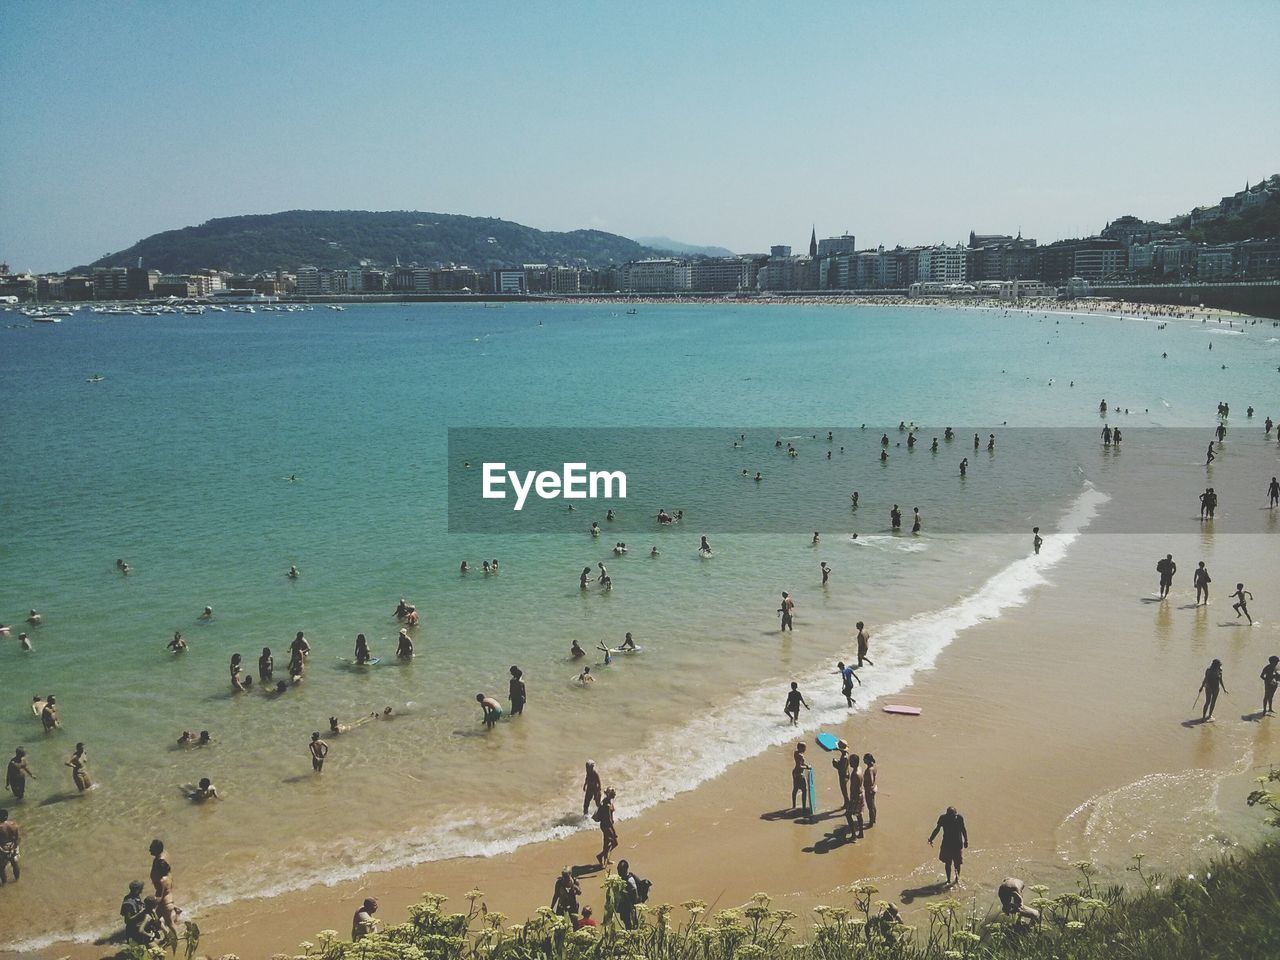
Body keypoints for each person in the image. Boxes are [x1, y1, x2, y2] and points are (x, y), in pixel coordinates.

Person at [928, 806, 969, 885]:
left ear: (956, 815)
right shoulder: (943, 818)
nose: (953, 818)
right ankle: (948, 880)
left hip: (957, 844)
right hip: (947, 844)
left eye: (954, 816)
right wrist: (931, 838)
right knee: (948, 863)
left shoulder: (959, 818)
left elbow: (963, 829)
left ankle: (957, 879)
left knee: (957, 863)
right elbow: (937, 829)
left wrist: (966, 840)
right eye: (951, 816)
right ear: (947, 815)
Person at [595, 787, 618, 865]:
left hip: (605, 825)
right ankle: (600, 856)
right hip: (607, 826)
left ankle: (606, 859)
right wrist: (614, 831)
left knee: (606, 842)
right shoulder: (607, 805)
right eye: (613, 793)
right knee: (614, 842)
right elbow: (609, 820)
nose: (615, 794)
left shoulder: (606, 801)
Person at [615, 859, 640, 929]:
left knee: (630, 923)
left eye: (620, 870)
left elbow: (635, 894)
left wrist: (632, 907)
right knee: (626, 921)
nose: (618, 872)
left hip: (629, 906)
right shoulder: (621, 878)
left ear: (625, 870)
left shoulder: (630, 881)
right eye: (618, 870)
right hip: (624, 905)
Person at [0, 810, 19, 884]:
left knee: (1, 867)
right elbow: (17, 838)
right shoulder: (14, 824)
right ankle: (17, 880)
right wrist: (15, 847)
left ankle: (4, 883)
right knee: (14, 864)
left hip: (3, 849)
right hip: (13, 847)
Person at [790, 742, 810, 810]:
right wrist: (807, 767)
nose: (805, 749)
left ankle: (793, 805)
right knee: (804, 790)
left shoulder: (796, 753)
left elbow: (802, 763)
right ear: (800, 748)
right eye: (804, 747)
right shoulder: (800, 755)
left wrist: (806, 765)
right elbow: (800, 766)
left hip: (795, 772)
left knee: (795, 789)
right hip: (799, 774)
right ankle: (804, 807)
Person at [832, 741, 852, 806]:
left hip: (843, 776)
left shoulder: (844, 757)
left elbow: (841, 768)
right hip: (847, 773)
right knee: (844, 791)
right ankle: (846, 803)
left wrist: (835, 764)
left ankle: (847, 804)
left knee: (844, 792)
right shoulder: (847, 754)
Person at [862, 753, 878, 827]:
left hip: (869, 790)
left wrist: (867, 788)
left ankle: (871, 823)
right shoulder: (874, 767)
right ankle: (874, 819)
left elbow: (871, 781)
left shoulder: (869, 770)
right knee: (873, 805)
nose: (863, 760)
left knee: (870, 807)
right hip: (874, 788)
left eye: (864, 759)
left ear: (867, 760)